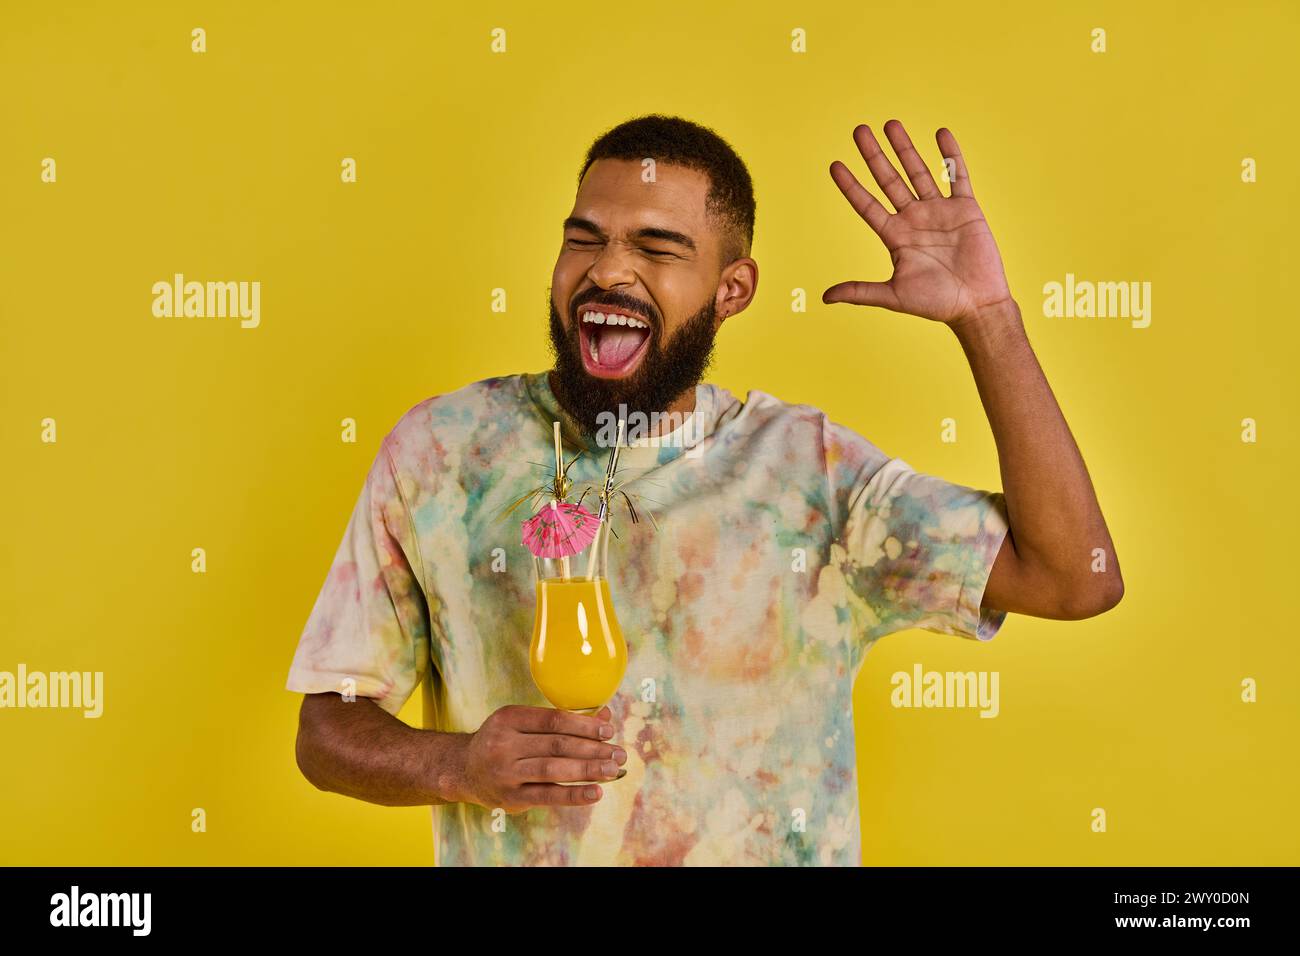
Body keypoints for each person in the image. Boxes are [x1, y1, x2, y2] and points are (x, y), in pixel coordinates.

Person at [287, 114, 1123, 866]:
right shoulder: (444, 451)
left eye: (657, 248)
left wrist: (986, 316)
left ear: (733, 291)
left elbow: (1072, 575)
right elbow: (326, 732)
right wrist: (457, 766)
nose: (607, 270)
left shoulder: (808, 477)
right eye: (585, 239)